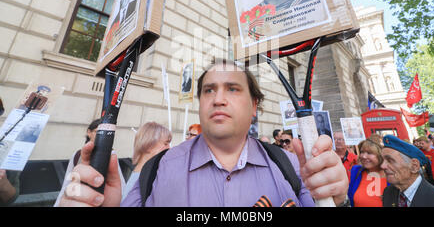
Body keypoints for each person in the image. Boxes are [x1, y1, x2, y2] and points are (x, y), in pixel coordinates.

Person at [58, 59, 348, 207]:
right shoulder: (157, 170)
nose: (218, 99)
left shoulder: (294, 168)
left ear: (254, 106)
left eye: (232, 89)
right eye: (209, 90)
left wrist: (335, 197)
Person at [54, 118, 126, 206]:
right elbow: (67, 182)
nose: (101, 136)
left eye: (105, 133)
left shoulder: (111, 156)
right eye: (97, 132)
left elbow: (121, 184)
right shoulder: (77, 155)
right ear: (89, 132)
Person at [381, 135, 434, 207]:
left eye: (390, 160)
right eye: (382, 160)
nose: (382, 166)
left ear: (414, 166)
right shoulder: (388, 193)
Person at [122, 122, 171, 201]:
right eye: (166, 143)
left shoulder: (142, 177)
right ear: (148, 145)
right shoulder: (141, 182)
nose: (169, 148)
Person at [348, 138, 387, 207]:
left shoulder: (392, 176)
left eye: (369, 153)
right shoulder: (356, 171)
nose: (363, 156)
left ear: (381, 155)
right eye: (362, 152)